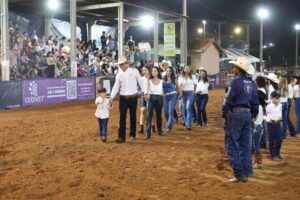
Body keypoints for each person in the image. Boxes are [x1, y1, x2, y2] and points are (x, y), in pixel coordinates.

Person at [222, 57, 259, 183]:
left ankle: (239, 174)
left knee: (231, 145)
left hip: (236, 115)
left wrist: (224, 113)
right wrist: (252, 116)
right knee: (245, 146)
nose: (234, 69)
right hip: (247, 115)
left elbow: (229, 99)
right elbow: (255, 103)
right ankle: (247, 172)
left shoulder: (235, 82)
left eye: (235, 67)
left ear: (238, 69)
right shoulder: (252, 84)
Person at [110, 56, 144, 143]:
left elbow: (141, 82)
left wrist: (146, 92)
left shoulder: (135, 71)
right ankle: (121, 137)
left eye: (123, 64)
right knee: (122, 117)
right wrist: (111, 97)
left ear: (126, 63)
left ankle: (132, 134)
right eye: (120, 64)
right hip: (123, 98)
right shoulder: (119, 75)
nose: (122, 66)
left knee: (133, 116)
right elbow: (116, 87)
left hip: (133, 97)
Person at [144, 67, 164, 139]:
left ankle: (160, 131)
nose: (153, 72)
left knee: (159, 116)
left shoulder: (162, 81)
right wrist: (147, 94)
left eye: (155, 71)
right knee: (149, 116)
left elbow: (163, 90)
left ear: (158, 72)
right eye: (152, 71)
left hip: (159, 99)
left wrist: (163, 93)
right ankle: (147, 133)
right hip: (151, 99)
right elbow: (147, 90)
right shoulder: (149, 80)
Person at [252, 76, 267, 169]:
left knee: (254, 146)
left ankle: (256, 162)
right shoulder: (262, 107)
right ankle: (259, 162)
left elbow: (253, 117)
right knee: (256, 146)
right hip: (260, 126)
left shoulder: (257, 107)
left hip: (256, 127)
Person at [265, 91, 283, 160]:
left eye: (278, 98)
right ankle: (272, 155)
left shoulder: (280, 105)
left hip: (278, 124)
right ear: (272, 98)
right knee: (272, 140)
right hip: (271, 124)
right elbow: (264, 114)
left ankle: (277, 153)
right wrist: (268, 119)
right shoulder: (269, 106)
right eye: (275, 98)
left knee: (279, 140)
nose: (277, 100)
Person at [163, 67, 181, 133]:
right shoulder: (163, 79)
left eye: (169, 71)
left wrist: (180, 94)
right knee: (166, 112)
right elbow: (161, 88)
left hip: (173, 96)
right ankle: (170, 121)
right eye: (167, 71)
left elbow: (178, 87)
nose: (168, 72)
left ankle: (169, 127)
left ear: (172, 72)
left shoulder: (174, 79)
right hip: (165, 97)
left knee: (170, 112)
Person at [178, 65, 195, 130]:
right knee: (184, 108)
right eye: (186, 68)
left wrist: (194, 91)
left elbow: (195, 84)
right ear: (184, 69)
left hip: (191, 94)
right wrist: (180, 94)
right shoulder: (180, 77)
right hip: (183, 94)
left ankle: (188, 124)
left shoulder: (193, 77)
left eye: (188, 68)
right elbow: (180, 86)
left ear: (190, 70)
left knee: (188, 107)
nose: (187, 69)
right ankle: (184, 120)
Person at [138, 66, 150, 134]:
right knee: (142, 110)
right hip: (143, 94)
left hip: (151, 94)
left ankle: (152, 126)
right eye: (143, 70)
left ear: (148, 70)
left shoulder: (151, 78)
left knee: (151, 112)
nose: (144, 72)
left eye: (145, 70)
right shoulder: (141, 79)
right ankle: (141, 127)